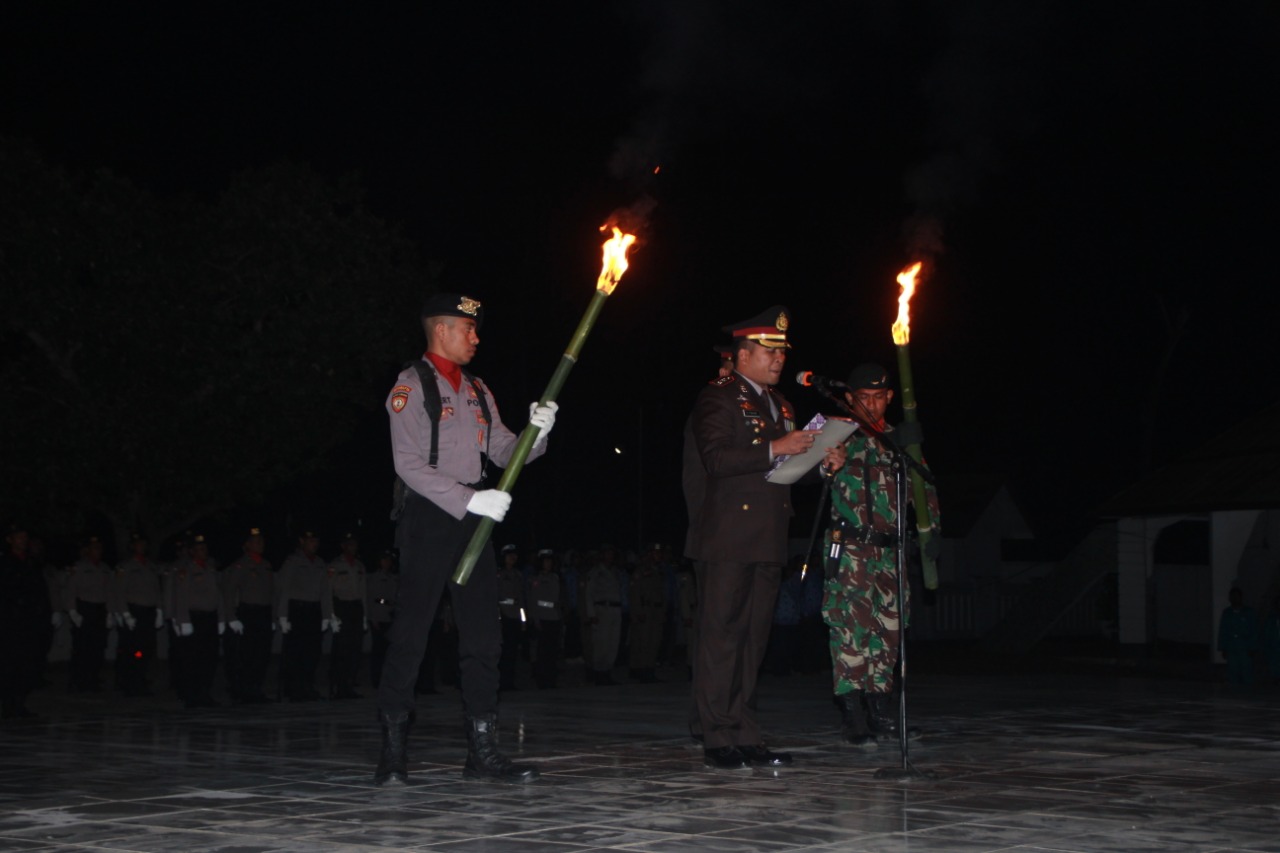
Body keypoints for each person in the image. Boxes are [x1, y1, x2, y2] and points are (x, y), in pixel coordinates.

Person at [375, 292, 558, 786]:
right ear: (441, 330)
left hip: (474, 517)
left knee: (484, 636)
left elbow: (503, 451)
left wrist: (536, 432)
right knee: (411, 632)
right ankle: (393, 753)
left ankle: (482, 753)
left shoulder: (478, 389)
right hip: (430, 517)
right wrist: (468, 500)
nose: (476, 337)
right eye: (467, 329)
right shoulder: (410, 387)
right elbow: (407, 464)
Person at [684, 306, 842, 770]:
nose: (778, 361)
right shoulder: (718, 397)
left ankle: (746, 731)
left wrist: (819, 466)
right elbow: (717, 458)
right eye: (769, 352)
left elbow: (783, 471)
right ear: (744, 353)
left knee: (754, 638)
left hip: (769, 536)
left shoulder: (783, 405)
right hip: (728, 537)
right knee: (721, 636)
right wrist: (776, 446)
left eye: (782, 354)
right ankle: (717, 734)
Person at [823, 363, 937, 748]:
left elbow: (925, 494)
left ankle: (881, 712)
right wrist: (827, 463)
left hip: (891, 551)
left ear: (890, 397)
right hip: (852, 547)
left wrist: (930, 533)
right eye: (863, 398)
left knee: (887, 632)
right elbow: (808, 469)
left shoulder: (900, 441)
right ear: (851, 399)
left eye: (878, 397)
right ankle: (853, 715)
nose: (871, 404)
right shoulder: (838, 434)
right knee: (850, 630)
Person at [1, 523, 54, 719]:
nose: (23, 540)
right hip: (10, 624)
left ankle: (19, 704)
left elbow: (40, 592)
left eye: (25, 537)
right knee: (9, 666)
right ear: (9, 540)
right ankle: (8, 706)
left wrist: (45, 616)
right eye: (18, 537)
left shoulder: (31, 562)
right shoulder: (5, 562)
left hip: (30, 623)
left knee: (28, 665)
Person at [170, 533, 225, 708]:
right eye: (199, 549)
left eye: (205, 548)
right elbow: (181, 596)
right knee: (192, 659)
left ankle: (204, 693)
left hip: (209, 618)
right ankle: (191, 695)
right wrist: (183, 620)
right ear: (192, 552)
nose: (203, 551)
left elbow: (219, 595)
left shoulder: (211, 569)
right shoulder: (186, 571)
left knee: (209, 658)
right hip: (194, 618)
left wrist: (221, 619)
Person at [222, 527, 275, 703]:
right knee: (246, 654)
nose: (260, 544)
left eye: (262, 541)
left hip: (264, 612)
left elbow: (271, 592)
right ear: (247, 545)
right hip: (248, 612)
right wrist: (231, 617)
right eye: (256, 541)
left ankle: (256, 688)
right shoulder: (240, 565)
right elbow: (229, 592)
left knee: (262, 654)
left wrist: (274, 616)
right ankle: (243, 690)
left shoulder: (266, 564)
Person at [277, 530, 330, 701]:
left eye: (316, 541)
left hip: (314, 610)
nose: (314, 544)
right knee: (295, 652)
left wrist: (326, 615)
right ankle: (293, 688)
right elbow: (284, 588)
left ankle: (307, 685)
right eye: (310, 540)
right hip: (297, 609)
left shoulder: (320, 563)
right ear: (302, 541)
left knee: (312, 652)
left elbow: (325, 591)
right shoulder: (292, 561)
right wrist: (283, 615)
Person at [111, 532, 163, 697]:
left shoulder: (151, 566)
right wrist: (125, 614)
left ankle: (141, 680)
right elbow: (119, 592)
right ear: (132, 546)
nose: (142, 547)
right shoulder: (125, 567)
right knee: (131, 650)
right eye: (138, 544)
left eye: (144, 544)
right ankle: (129, 683)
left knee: (146, 649)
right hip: (134, 611)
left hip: (148, 612)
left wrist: (160, 610)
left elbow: (157, 590)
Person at [65, 535, 113, 693]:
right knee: (82, 647)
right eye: (94, 548)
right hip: (84, 608)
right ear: (88, 550)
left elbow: (109, 592)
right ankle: (77, 680)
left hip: (100, 610)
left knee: (98, 647)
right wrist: (73, 611)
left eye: (100, 548)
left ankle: (92, 678)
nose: (98, 551)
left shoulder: (105, 568)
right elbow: (71, 590)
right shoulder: (79, 567)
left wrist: (110, 612)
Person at [327, 532, 368, 699]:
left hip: (356, 608)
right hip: (341, 607)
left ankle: (349, 684)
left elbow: (363, 592)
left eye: (354, 544)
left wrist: (365, 615)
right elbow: (328, 590)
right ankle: (339, 685)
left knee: (355, 650)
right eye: (349, 544)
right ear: (343, 546)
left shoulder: (359, 566)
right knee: (341, 650)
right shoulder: (335, 565)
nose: (353, 547)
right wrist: (331, 614)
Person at [583, 544, 623, 685]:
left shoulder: (615, 572)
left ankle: (607, 672)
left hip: (615, 609)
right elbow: (589, 593)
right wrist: (591, 613)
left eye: (612, 553)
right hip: (602, 609)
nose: (610, 556)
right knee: (601, 643)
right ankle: (599, 673)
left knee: (613, 643)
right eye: (607, 553)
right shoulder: (596, 572)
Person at [628, 544, 667, 683]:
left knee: (654, 641)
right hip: (645, 609)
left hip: (656, 610)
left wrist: (663, 612)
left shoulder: (659, 571)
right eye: (656, 553)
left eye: (660, 553)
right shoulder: (641, 571)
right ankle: (642, 670)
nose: (659, 556)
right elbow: (635, 593)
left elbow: (662, 594)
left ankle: (648, 669)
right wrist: (638, 611)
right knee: (644, 641)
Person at [527, 548, 564, 688]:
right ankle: (541, 679)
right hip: (542, 619)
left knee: (553, 651)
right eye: (545, 561)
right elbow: (533, 601)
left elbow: (558, 599)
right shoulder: (536, 579)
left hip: (554, 618)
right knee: (542, 651)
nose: (548, 563)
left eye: (550, 561)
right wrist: (535, 619)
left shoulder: (555, 577)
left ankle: (551, 678)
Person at [495, 544, 527, 691]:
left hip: (514, 616)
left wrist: (523, 621)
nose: (512, 558)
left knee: (513, 651)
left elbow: (521, 600)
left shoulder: (518, 575)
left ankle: (510, 681)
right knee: (503, 651)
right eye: (509, 555)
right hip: (503, 616)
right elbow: (494, 598)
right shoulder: (498, 575)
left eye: (514, 555)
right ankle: (501, 681)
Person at [366, 549, 399, 689]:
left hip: (391, 616)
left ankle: (388, 679)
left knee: (390, 651)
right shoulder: (373, 577)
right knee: (378, 650)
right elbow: (370, 598)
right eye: (384, 560)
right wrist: (373, 617)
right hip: (379, 616)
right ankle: (376, 679)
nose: (387, 563)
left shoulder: (394, 578)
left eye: (389, 560)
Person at [1217, 587, 1257, 685]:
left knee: (1247, 672)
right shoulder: (1227, 613)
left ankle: (1248, 694)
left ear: (1241, 597)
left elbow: (1254, 630)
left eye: (1236, 596)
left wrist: (1253, 647)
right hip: (1231, 647)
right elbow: (1223, 630)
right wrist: (1223, 647)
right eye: (1232, 596)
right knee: (1232, 672)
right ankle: (1234, 694)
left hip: (1245, 647)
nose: (1234, 598)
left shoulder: (1249, 612)